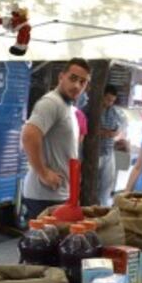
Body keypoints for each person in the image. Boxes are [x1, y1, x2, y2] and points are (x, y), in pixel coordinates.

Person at [20, 58, 91, 220]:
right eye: (73, 78)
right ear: (61, 77)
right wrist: (43, 173)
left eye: (83, 82)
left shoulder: (67, 107)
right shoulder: (51, 102)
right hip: (45, 196)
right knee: (45, 244)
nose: (77, 86)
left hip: (57, 195)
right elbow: (29, 135)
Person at [98, 84, 125, 205]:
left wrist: (109, 133)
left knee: (107, 184)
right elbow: (92, 130)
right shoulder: (91, 109)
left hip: (108, 152)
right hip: (95, 153)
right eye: (108, 99)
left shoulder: (114, 112)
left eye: (112, 100)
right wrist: (106, 132)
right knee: (94, 183)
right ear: (102, 96)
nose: (110, 103)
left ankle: (103, 207)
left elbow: (118, 130)